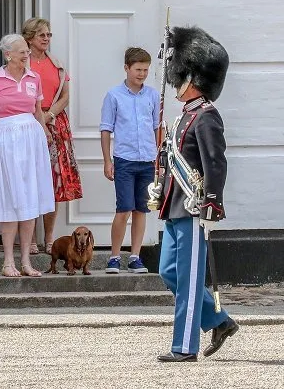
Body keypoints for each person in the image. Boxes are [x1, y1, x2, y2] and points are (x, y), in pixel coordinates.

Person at [151, 26, 238, 362]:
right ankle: (218, 320)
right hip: (173, 204)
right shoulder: (185, 116)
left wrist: (213, 201)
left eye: (181, 76)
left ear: (194, 78)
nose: (176, 82)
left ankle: (184, 347)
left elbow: (215, 162)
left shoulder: (206, 118)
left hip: (191, 205)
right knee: (169, 272)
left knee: (187, 280)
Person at [0, 33, 55, 278]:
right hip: (7, 137)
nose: (26, 54)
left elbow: (38, 111)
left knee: (30, 197)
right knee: (10, 197)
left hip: (31, 138)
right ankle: (7, 261)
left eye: (26, 51)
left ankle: (26, 261)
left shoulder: (34, 77)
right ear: (8, 54)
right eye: (22, 51)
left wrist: (45, 134)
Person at [22, 17, 83, 255]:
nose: (46, 39)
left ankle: (49, 237)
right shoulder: (21, 63)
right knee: (29, 180)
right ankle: (30, 238)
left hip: (55, 122)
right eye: (41, 35)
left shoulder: (55, 63)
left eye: (48, 35)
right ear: (29, 38)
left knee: (53, 182)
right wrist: (39, 119)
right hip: (28, 122)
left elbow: (66, 95)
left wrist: (48, 116)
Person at [99, 47, 159, 274]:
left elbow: (155, 127)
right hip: (124, 159)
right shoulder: (114, 95)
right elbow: (106, 129)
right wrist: (107, 160)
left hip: (147, 160)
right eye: (137, 69)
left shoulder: (152, 95)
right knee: (124, 208)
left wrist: (158, 156)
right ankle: (114, 256)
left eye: (145, 70)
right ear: (126, 68)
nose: (142, 74)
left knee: (141, 209)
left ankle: (136, 256)